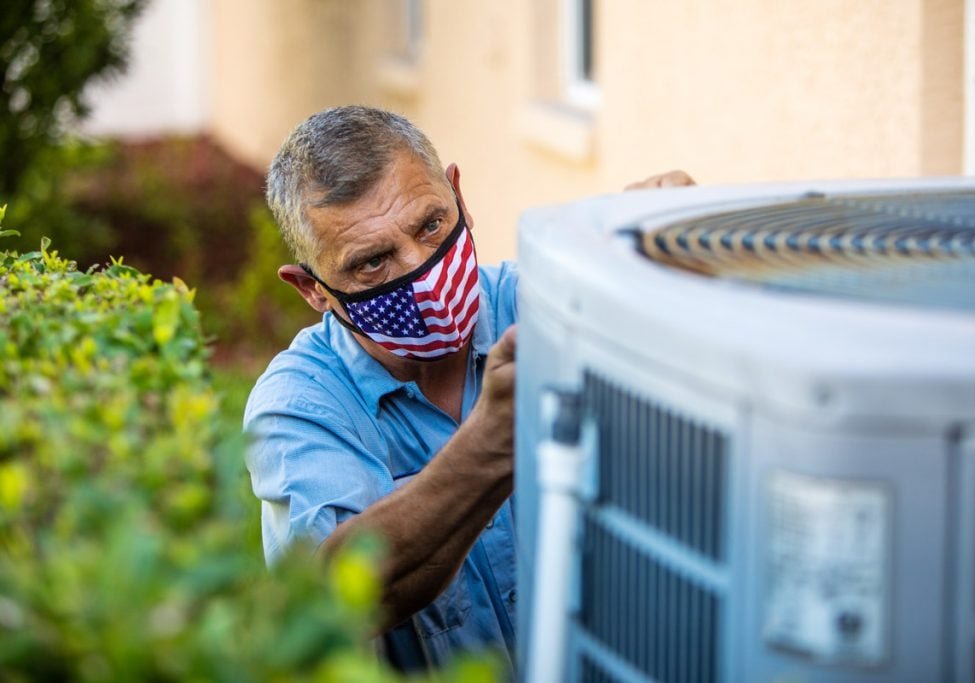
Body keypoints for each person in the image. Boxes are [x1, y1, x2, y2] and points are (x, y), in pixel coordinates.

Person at [243, 105, 694, 673]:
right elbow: (329, 601)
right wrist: (486, 448)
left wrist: (683, 248)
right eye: (373, 263)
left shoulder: (542, 298)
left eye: (431, 224)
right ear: (312, 289)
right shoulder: (302, 403)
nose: (422, 271)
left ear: (459, 195)